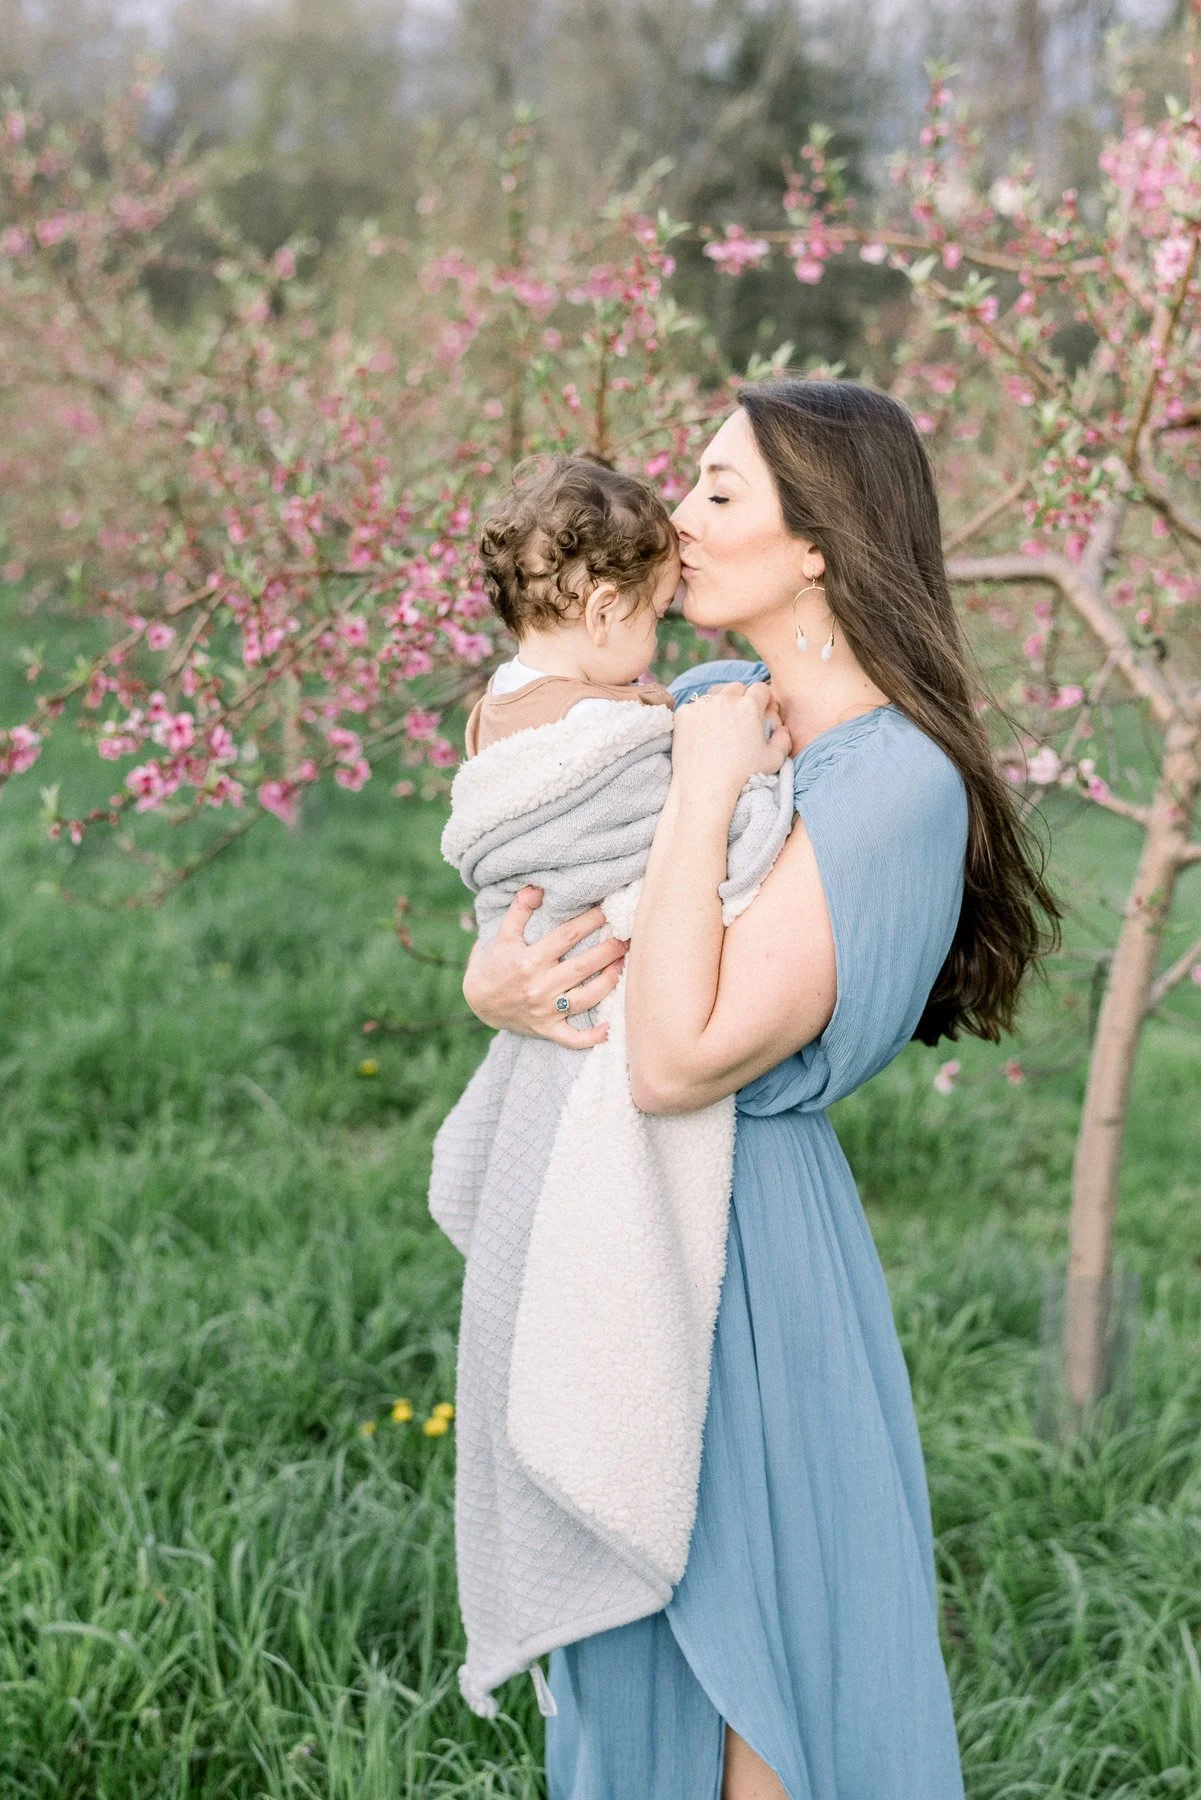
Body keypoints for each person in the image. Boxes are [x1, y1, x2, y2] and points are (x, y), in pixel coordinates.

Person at [460, 378, 1060, 1800]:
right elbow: (555, 898)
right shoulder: (697, 707)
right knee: (633, 1679)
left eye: (719, 492)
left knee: (760, 1687)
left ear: (818, 545)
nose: (676, 518)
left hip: (744, 1261)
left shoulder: (894, 785)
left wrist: (702, 790)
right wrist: (494, 981)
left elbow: (676, 1054)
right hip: (616, 1232)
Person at [431, 452, 795, 1722]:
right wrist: (748, 777)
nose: (659, 651)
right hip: (603, 1014)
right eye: (649, 619)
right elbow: (699, 831)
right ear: (598, 611)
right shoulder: (604, 737)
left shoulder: (498, 712)